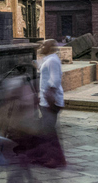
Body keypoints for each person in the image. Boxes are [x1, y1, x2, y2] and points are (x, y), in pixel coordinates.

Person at [38, 39, 66, 168]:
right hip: (46, 100)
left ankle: (56, 159)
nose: (41, 46)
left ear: (49, 47)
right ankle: (48, 156)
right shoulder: (49, 59)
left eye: (44, 45)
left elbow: (55, 81)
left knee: (49, 131)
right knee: (46, 130)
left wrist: (50, 99)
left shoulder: (52, 61)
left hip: (51, 101)